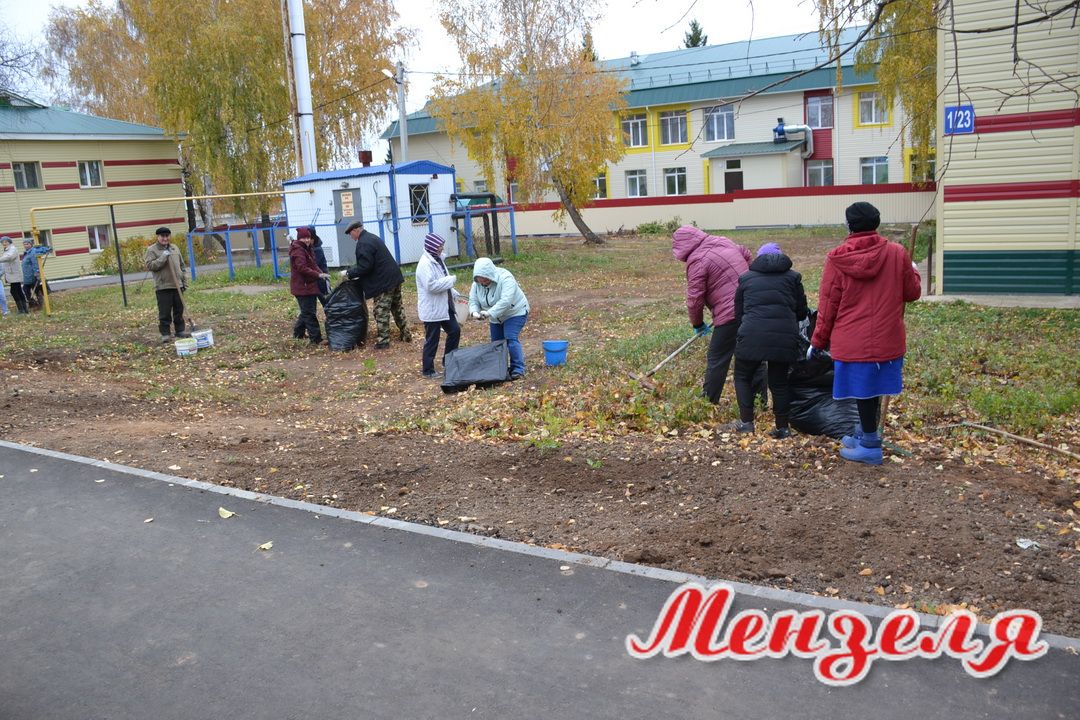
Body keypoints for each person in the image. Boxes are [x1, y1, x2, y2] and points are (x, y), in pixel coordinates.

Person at [809, 201, 922, 465]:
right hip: (887, 337)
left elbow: (828, 304)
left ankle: (870, 444)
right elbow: (912, 292)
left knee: (865, 388)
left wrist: (818, 340)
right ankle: (864, 433)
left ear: (849, 225)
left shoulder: (837, 258)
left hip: (852, 339)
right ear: (877, 223)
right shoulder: (897, 253)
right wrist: (913, 270)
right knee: (871, 387)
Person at [671, 225, 764, 404]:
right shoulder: (722, 241)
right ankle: (760, 401)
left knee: (717, 358)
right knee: (754, 356)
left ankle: (708, 402)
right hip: (753, 306)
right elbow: (745, 253)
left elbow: (695, 298)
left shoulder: (697, 260)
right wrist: (749, 279)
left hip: (730, 313)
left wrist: (697, 324)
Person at [731, 242, 809, 438]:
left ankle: (746, 423)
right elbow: (801, 312)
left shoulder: (746, 279)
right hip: (784, 336)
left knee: (742, 376)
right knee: (779, 382)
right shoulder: (793, 278)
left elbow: (739, 314)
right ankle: (782, 428)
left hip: (751, 334)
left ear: (758, 258)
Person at [340, 220, 410, 349]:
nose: (351, 237)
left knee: (380, 311)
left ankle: (383, 341)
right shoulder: (371, 237)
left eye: (351, 234)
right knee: (397, 307)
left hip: (384, 282)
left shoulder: (363, 243)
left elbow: (365, 266)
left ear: (356, 230)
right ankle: (406, 335)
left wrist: (348, 273)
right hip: (394, 277)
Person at [468, 257, 530, 380]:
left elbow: (506, 301)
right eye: (480, 281)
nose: (483, 283)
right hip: (495, 317)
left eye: (485, 280)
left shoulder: (506, 278)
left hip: (515, 312)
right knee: (496, 343)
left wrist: (489, 313)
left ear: (490, 274)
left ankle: (518, 369)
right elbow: (473, 300)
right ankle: (499, 369)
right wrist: (474, 311)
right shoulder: (477, 284)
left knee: (510, 337)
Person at [415, 232, 461, 379]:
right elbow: (431, 286)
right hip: (432, 309)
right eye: (439, 246)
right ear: (432, 247)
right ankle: (427, 370)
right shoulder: (425, 264)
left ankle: (449, 361)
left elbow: (442, 279)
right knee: (432, 339)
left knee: (454, 331)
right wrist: (451, 281)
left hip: (444, 306)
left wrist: (452, 292)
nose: (442, 248)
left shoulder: (439, 259)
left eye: (442, 245)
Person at [144, 227, 190, 343]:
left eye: (167, 236)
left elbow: (182, 266)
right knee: (164, 312)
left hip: (177, 285)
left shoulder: (174, 248)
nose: (165, 238)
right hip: (163, 286)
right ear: (158, 237)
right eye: (162, 236)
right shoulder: (152, 250)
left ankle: (180, 330)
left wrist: (184, 281)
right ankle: (165, 333)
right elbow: (151, 266)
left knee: (179, 310)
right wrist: (163, 257)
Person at [289, 227, 330, 345]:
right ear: (299, 239)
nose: (307, 240)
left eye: (308, 237)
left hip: (309, 286)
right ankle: (316, 339)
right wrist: (318, 275)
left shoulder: (307, 249)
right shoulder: (298, 250)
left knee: (307, 311)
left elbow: (313, 264)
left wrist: (321, 273)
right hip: (303, 287)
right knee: (309, 313)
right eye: (304, 238)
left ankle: (298, 334)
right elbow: (302, 268)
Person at [21, 237, 51, 309]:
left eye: (27, 244)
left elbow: (35, 263)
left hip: (32, 275)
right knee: (26, 289)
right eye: (24, 244)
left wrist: (37, 273)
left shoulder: (32, 252)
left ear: (31, 244)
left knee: (36, 290)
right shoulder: (27, 253)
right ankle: (33, 303)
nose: (25, 245)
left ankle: (40, 305)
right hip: (27, 276)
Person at [0, 237, 26, 314]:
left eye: (5, 242)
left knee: (14, 291)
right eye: (2, 242)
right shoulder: (7, 249)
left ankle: (22, 310)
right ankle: (24, 309)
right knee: (18, 291)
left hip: (14, 273)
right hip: (12, 273)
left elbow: (10, 257)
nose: (4, 244)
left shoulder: (12, 249)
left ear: (9, 242)